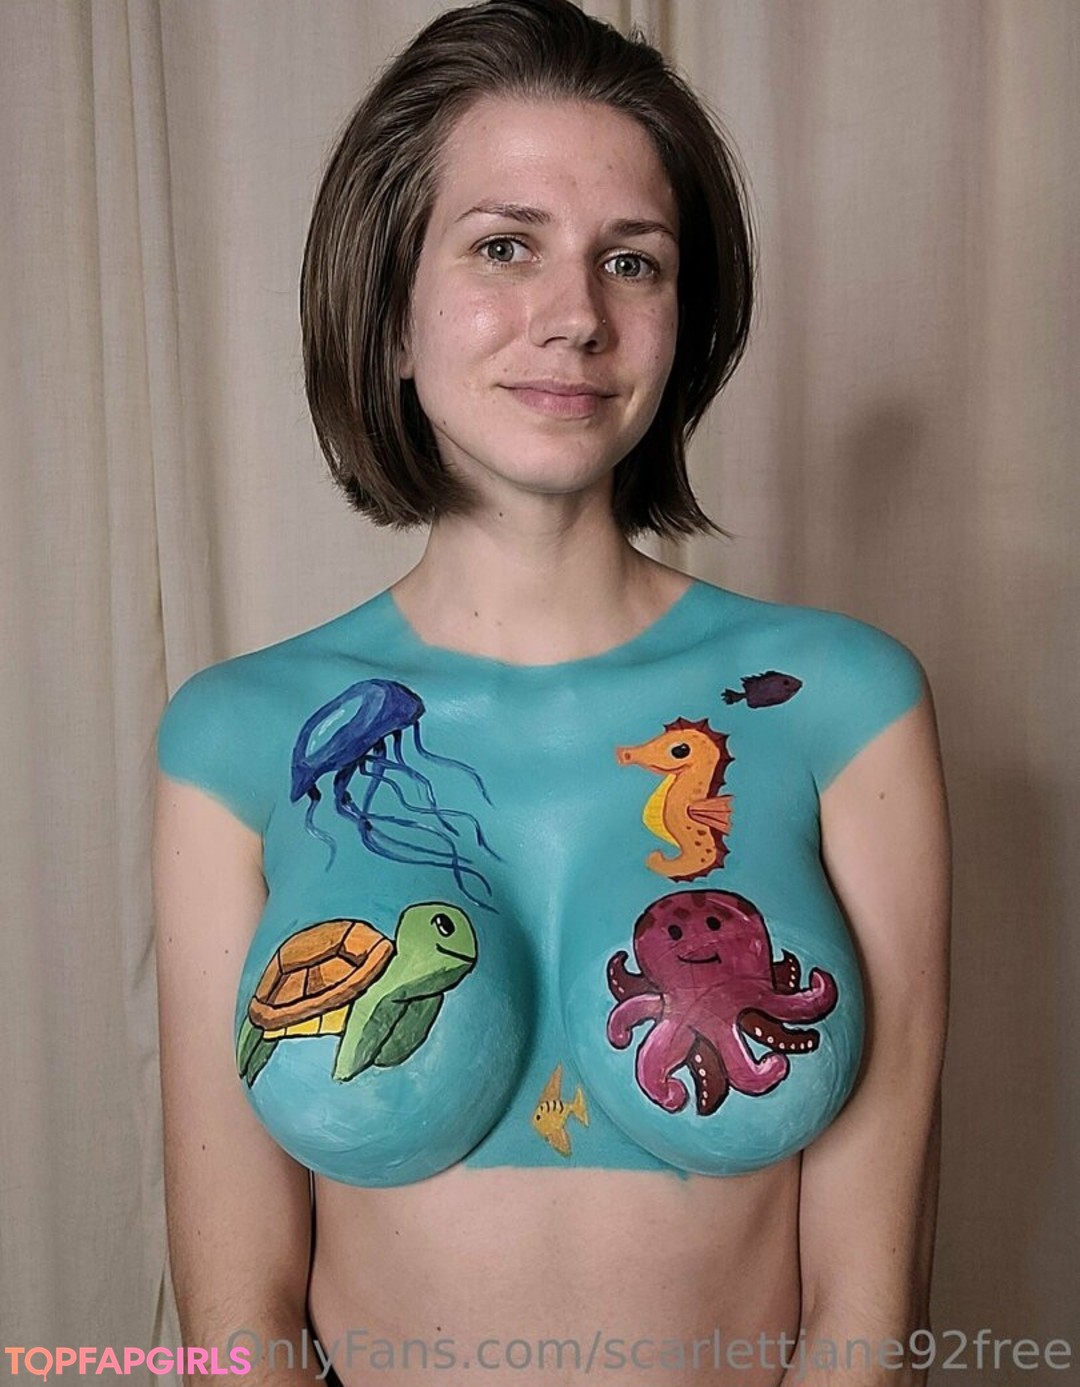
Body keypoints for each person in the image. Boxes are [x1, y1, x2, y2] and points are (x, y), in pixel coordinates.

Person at [152, 2, 950, 1384]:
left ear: (682, 324)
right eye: (504, 246)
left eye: (630, 261)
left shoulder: (843, 705)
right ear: (392, 313)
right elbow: (240, 1314)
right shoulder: (237, 739)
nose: (576, 316)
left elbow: (869, 1308)